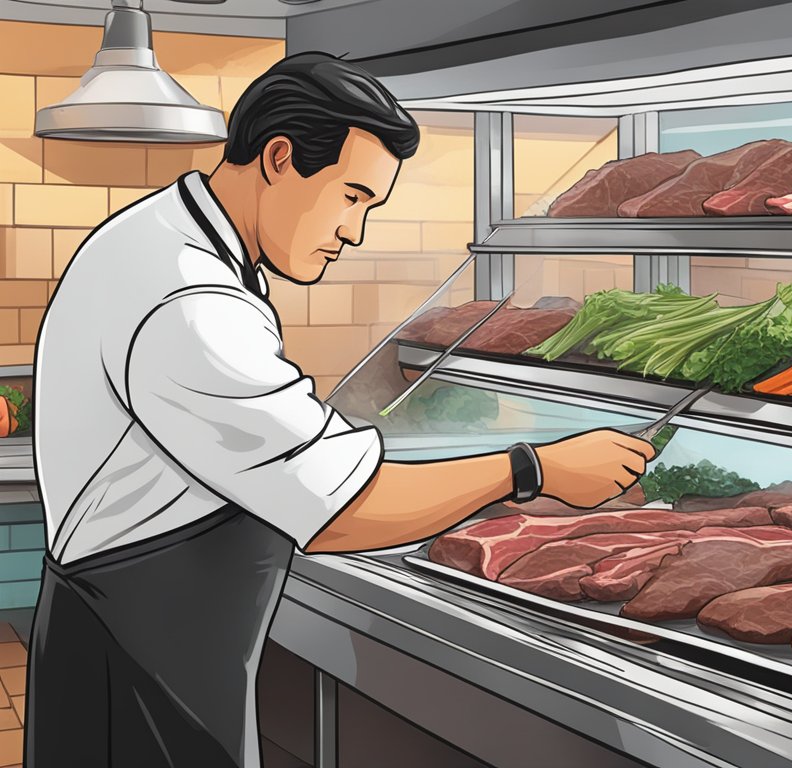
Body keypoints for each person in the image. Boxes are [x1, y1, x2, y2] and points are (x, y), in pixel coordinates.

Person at [26, 51, 654, 767]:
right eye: (352, 196)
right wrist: (533, 467)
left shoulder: (163, 238)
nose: (355, 230)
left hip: (143, 646)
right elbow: (342, 508)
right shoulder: (189, 300)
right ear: (280, 157)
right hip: (139, 677)